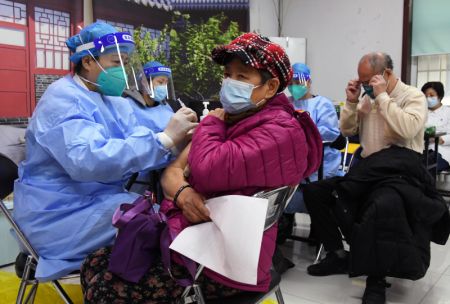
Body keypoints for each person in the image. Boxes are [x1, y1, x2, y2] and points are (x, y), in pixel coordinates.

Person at [80, 32, 323, 303]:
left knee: (104, 288)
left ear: (270, 86)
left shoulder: (279, 131)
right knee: (96, 261)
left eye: (242, 77)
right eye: (228, 74)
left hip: (225, 261)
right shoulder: (241, 118)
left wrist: (210, 124)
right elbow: (172, 173)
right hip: (197, 238)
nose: (230, 83)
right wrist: (184, 192)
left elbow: (205, 169)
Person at [12, 21, 197, 281]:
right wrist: (164, 139)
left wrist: (178, 143)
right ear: (88, 61)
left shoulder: (111, 101)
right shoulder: (62, 99)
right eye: (114, 62)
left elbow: (136, 145)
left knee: (162, 218)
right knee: (158, 226)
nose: (122, 71)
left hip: (95, 201)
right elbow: (88, 161)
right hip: (58, 212)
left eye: (124, 63)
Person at [303, 52, 449, 304]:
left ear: (388, 74)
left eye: (368, 81)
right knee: (315, 192)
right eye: (361, 81)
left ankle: (376, 279)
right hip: (368, 168)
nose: (365, 86)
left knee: (382, 206)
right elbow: (348, 131)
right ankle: (337, 253)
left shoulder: (412, 96)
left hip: (400, 172)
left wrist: (382, 97)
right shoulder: (367, 98)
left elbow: (407, 129)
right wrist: (351, 102)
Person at [283, 62, 340, 219]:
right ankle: (283, 226)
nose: (294, 87)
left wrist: (302, 133)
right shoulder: (286, 104)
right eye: (290, 84)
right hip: (292, 166)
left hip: (319, 168)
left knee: (316, 202)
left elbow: (331, 133)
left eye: (298, 82)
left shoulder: (323, 105)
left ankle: (318, 227)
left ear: (308, 82)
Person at [421, 81, 450, 171]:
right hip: (422, 149)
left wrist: (440, 139)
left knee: (426, 167)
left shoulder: (447, 112)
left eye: (431, 95)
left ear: (440, 96)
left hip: (441, 151)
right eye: (426, 96)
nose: (428, 98)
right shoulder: (421, 113)